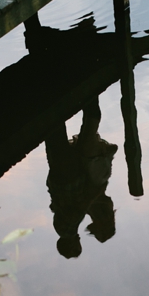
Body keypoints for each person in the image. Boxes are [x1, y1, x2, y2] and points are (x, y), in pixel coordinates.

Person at [45, 97, 118, 258]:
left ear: (71, 246)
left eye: (77, 247)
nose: (80, 243)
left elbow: (80, 207)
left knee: (58, 134)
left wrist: (94, 194)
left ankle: (59, 100)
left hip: (68, 180)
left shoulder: (66, 230)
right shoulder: (64, 227)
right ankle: (57, 102)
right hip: (64, 180)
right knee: (55, 135)